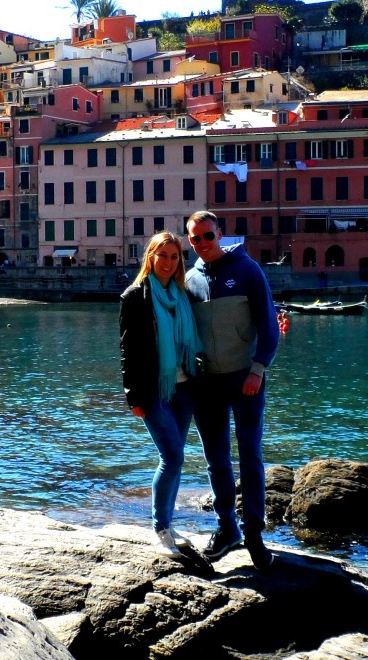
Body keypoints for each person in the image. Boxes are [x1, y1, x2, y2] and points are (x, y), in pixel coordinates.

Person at [184, 210, 280, 571]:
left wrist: (258, 369)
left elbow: (269, 325)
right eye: (195, 238)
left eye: (208, 236)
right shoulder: (190, 280)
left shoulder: (247, 271)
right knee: (216, 460)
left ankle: (255, 534)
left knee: (250, 456)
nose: (202, 244)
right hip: (206, 382)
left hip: (245, 378)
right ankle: (228, 528)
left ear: (220, 234)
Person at [119, 231, 202, 556]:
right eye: (162, 255)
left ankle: (168, 521)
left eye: (174, 256)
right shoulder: (135, 296)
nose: (168, 262)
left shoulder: (182, 294)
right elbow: (128, 351)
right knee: (173, 457)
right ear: (150, 257)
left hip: (185, 388)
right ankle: (160, 528)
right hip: (153, 390)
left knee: (175, 458)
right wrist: (133, 397)